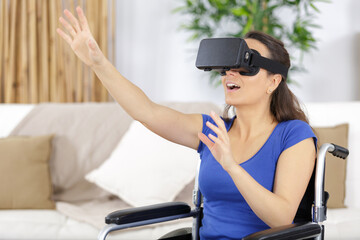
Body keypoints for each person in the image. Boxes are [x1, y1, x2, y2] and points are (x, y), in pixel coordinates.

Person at [57, 7, 317, 239]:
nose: (230, 73)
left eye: (245, 65)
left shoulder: (294, 135)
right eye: (229, 66)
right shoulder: (213, 130)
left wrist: (232, 166)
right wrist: (98, 63)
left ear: (273, 82)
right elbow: (147, 111)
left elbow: (282, 218)